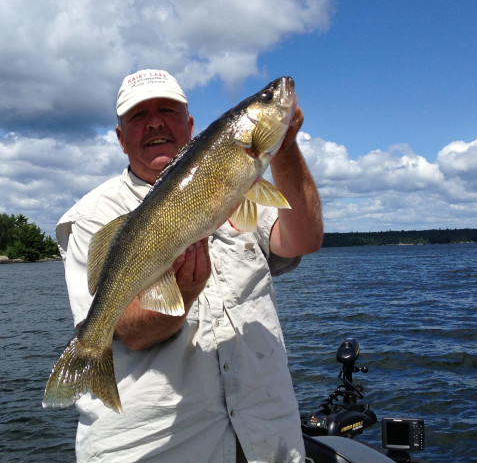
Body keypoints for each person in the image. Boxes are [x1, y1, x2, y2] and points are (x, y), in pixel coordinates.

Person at [55, 69, 323, 462]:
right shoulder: (93, 217)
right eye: (138, 116)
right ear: (120, 137)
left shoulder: (240, 184)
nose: (156, 122)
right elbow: (132, 332)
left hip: (268, 439)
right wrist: (184, 291)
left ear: (190, 124)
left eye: (167, 110)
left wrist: (283, 148)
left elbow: (303, 240)